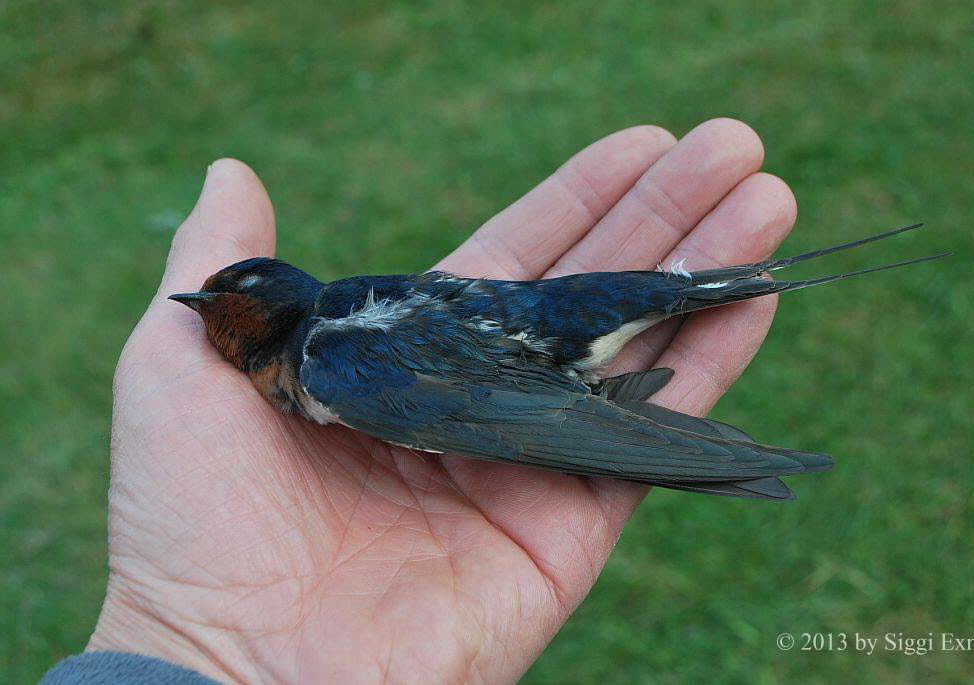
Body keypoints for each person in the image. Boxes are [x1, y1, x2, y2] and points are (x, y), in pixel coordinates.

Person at [44, 119, 797, 683]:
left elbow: (487, 410)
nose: (208, 312)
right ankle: (686, 302)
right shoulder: (335, 317)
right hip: (527, 328)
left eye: (225, 303)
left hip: (542, 347)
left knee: (605, 348)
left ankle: (690, 305)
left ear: (268, 315)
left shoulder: (328, 367)